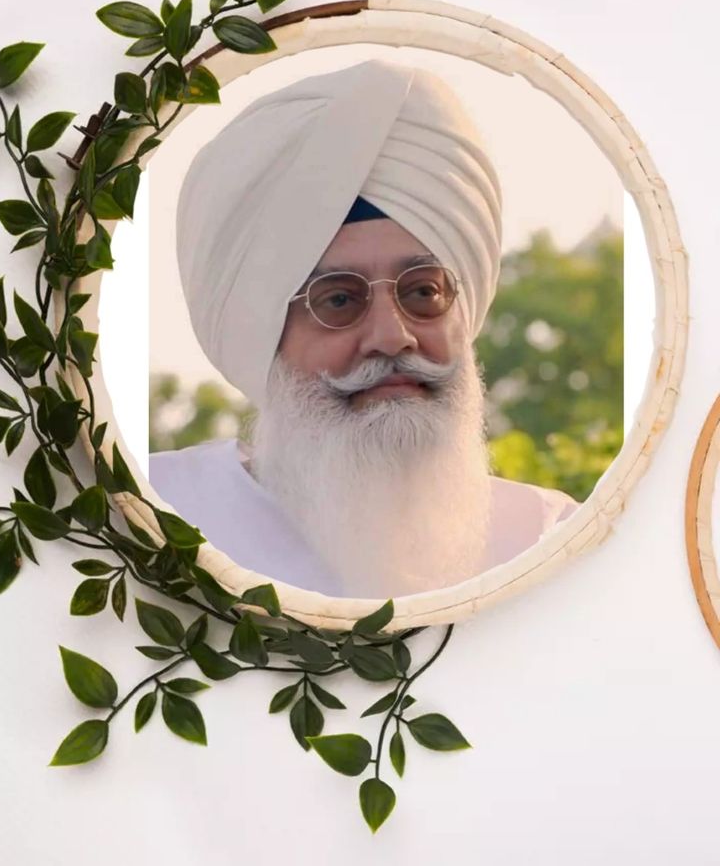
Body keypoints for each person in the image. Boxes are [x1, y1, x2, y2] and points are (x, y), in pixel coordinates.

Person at [149, 58, 579, 599]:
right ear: (263, 335)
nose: (392, 336)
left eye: (423, 292)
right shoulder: (158, 513)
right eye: (339, 300)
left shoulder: (544, 539)